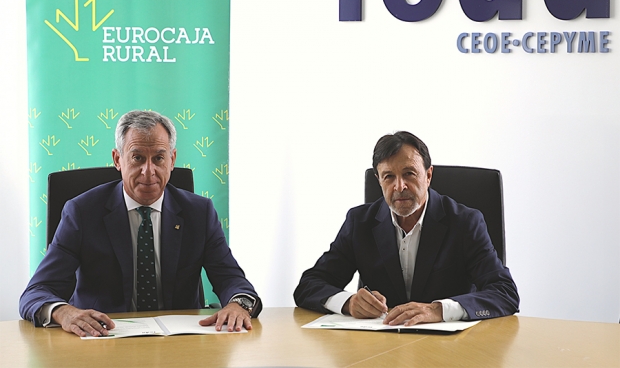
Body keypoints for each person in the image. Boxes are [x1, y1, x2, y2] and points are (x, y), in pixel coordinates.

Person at [20, 110, 261, 337]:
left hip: (179, 341)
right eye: (137, 158)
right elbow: (36, 292)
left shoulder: (199, 212)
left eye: (159, 158)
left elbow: (231, 279)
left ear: (172, 160)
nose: (148, 171)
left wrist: (238, 304)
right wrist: (64, 312)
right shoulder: (82, 212)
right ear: (117, 159)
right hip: (103, 339)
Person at [294, 131, 519, 326]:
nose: (399, 186)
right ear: (379, 181)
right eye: (389, 177)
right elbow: (309, 286)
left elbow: (505, 293)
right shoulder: (359, 223)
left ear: (428, 175)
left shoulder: (465, 222)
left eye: (409, 174)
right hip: (380, 346)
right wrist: (348, 303)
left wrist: (439, 310)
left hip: (449, 347)